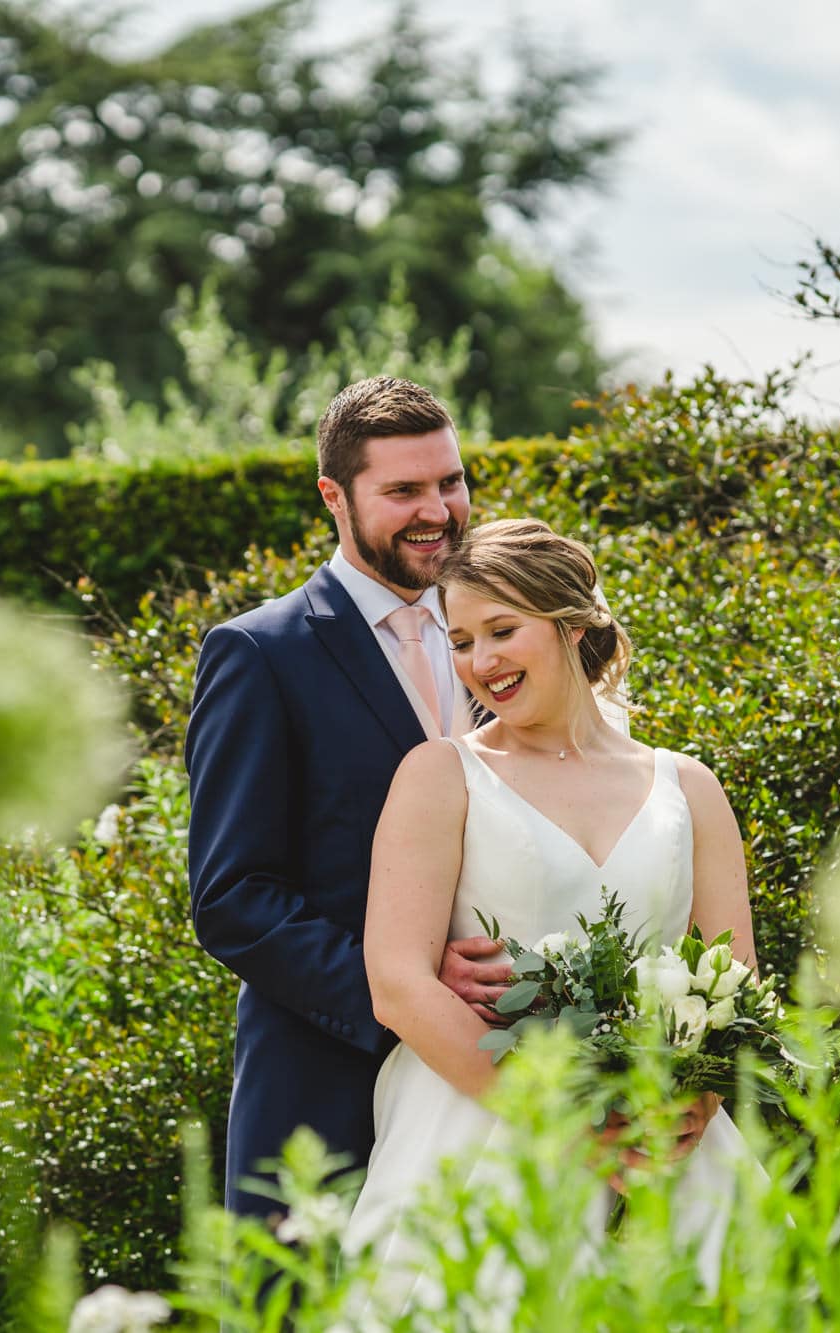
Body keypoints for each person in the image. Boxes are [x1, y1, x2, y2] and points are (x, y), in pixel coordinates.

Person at [345, 517, 760, 1299]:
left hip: (662, 1137)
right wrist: (572, 1123)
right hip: (480, 1120)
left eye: (502, 630)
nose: (480, 661)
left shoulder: (688, 787)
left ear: (573, 625)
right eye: (461, 640)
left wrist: (694, 1098)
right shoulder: (441, 775)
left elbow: (732, 980)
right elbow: (396, 981)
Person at [184, 376, 515, 1214]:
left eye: (450, 481)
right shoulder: (259, 654)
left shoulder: (510, 643)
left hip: (505, 1088)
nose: (437, 510)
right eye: (403, 490)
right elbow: (234, 900)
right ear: (334, 495)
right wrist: (405, 988)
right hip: (324, 1094)